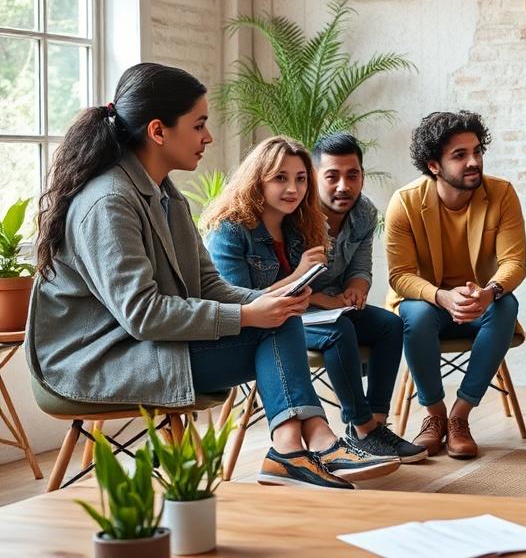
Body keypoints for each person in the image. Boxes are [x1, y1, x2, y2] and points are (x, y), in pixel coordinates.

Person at [27, 64, 355, 490]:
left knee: (279, 318)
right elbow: (142, 314)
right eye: (199, 125)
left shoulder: (166, 195)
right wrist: (249, 316)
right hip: (98, 358)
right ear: (158, 131)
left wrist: (265, 304)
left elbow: (209, 285)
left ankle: (294, 447)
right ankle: (301, 445)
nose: (208, 137)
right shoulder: (109, 202)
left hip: (144, 343)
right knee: (269, 327)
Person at [203, 136, 409, 479]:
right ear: (258, 179)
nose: (293, 188)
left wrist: (321, 292)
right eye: (280, 178)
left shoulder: (298, 226)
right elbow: (235, 302)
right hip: (232, 333)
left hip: (281, 327)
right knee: (286, 318)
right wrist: (298, 278)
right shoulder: (231, 229)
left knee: (379, 322)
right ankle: (325, 441)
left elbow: (298, 294)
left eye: (300, 179)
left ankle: (305, 446)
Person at [385, 111, 526, 460]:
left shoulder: (502, 194)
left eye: (477, 151)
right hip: (426, 300)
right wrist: (441, 296)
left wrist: (489, 291)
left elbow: (515, 262)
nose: (473, 161)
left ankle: (459, 417)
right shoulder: (404, 202)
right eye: (460, 155)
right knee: (414, 315)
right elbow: (399, 275)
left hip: (478, 299)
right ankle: (434, 416)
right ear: (434, 165)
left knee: (506, 305)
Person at [310, 132, 426, 462]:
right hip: (295, 309)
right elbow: (281, 283)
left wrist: (357, 289)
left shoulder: (364, 212)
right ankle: (360, 426)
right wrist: (326, 301)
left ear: (362, 174)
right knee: (339, 331)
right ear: (316, 175)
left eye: (353, 175)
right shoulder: (298, 214)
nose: (343, 186)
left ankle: (376, 423)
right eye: (332, 176)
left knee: (390, 324)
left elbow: (362, 266)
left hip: (334, 306)